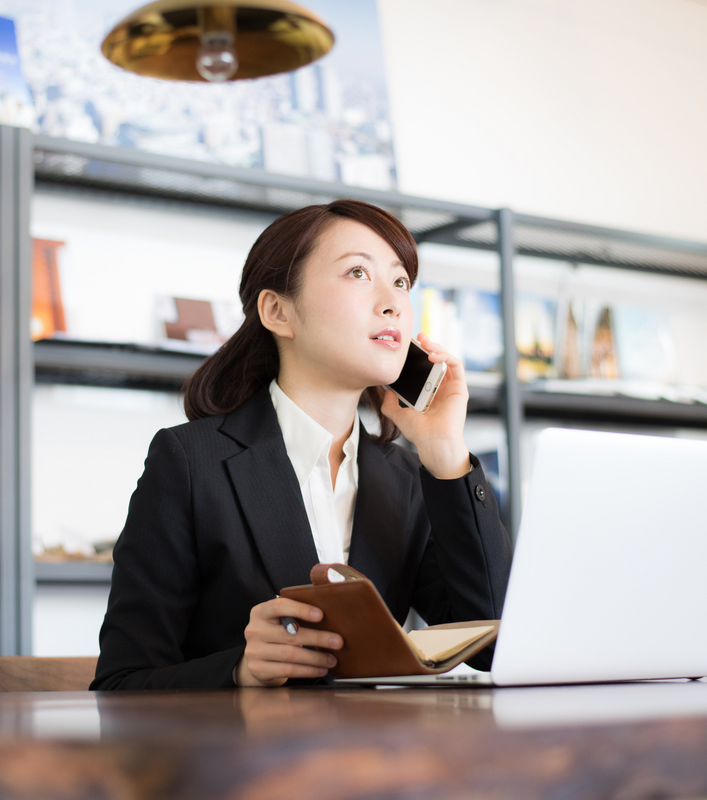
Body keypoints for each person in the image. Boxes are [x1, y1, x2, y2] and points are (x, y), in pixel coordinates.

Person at [91, 199, 512, 690]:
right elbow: (120, 685)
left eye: (400, 282)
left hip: (378, 758)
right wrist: (240, 670)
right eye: (358, 273)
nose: (394, 301)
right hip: (240, 760)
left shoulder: (406, 479)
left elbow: (495, 644)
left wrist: (445, 454)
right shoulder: (189, 464)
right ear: (278, 311)